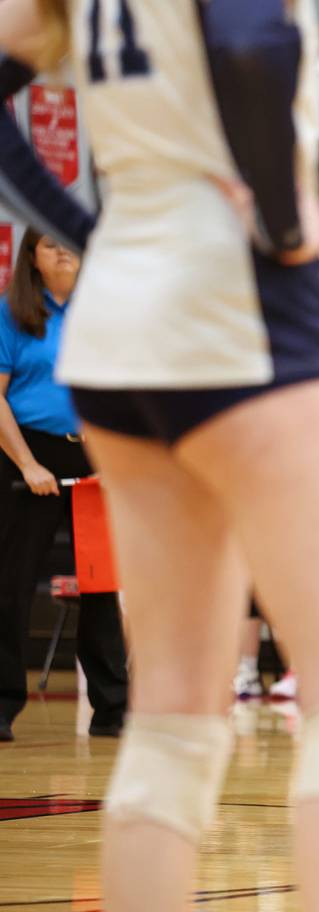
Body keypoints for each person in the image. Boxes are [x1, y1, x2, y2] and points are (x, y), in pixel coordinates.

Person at [5, 0, 319, 907]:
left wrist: (82, 227)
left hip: (117, 333)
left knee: (173, 722)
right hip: (240, 309)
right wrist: (282, 216)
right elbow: (245, 34)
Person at [0, 229, 126, 742]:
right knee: (11, 585)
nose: (63, 253)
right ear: (32, 256)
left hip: (93, 455)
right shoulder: (12, 313)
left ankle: (114, 710)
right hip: (24, 454)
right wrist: (28, 464)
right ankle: (3, 705)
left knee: (101, 585)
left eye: (70, 244)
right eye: (50, 245)